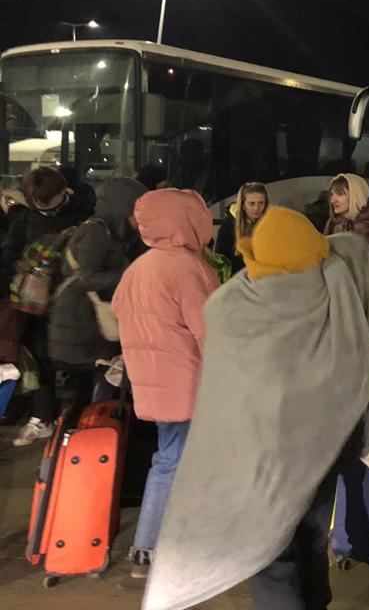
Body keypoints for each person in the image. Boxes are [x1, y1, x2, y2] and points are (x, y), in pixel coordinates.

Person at [137, 207, 369, 610]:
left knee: (270, 546)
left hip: (264, 452)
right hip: (328, 444)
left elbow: (230, 390)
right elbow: (362, 278)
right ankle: (316, 602)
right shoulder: (338, 290)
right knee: (312, 533)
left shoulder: (234, 307)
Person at [111, 188, 221, 578]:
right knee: (180, 462)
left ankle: (150, 546)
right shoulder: (187, 267)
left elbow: (119, 315)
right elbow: (211, 330)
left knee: (168, 459)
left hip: (153, 386)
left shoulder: (138, 268)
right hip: (190, 384)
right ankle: (155, 547)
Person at [3, 167, 93, 446]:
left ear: (64, 191)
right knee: (39, 360)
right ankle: (42, 418)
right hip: (37, 305)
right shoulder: (24, 220)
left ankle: (79, 420)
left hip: (74, 303)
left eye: (49, 203)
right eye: (39, 205)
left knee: (78, 360)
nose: (45, 209)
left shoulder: (85, 215)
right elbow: (8, 256)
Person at [48, 177, 149, 406]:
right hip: (78, 323)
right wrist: (129, 277)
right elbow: (84, 278)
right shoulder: (95, 232)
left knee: (89, 391)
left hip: (91, 323)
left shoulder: (114, 233)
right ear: (122, 207)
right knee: (81, 395)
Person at [322, 173, 369, 257]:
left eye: (339, 194)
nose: (332, 200)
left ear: (356, 196)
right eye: (332, 194)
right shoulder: (332, 222)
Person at [214, 182, 269, 275]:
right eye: (251, 204)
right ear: (243, 205)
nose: (256, 208)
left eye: (260, 203)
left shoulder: (269, 224)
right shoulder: (228, 227)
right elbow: (221, 262)